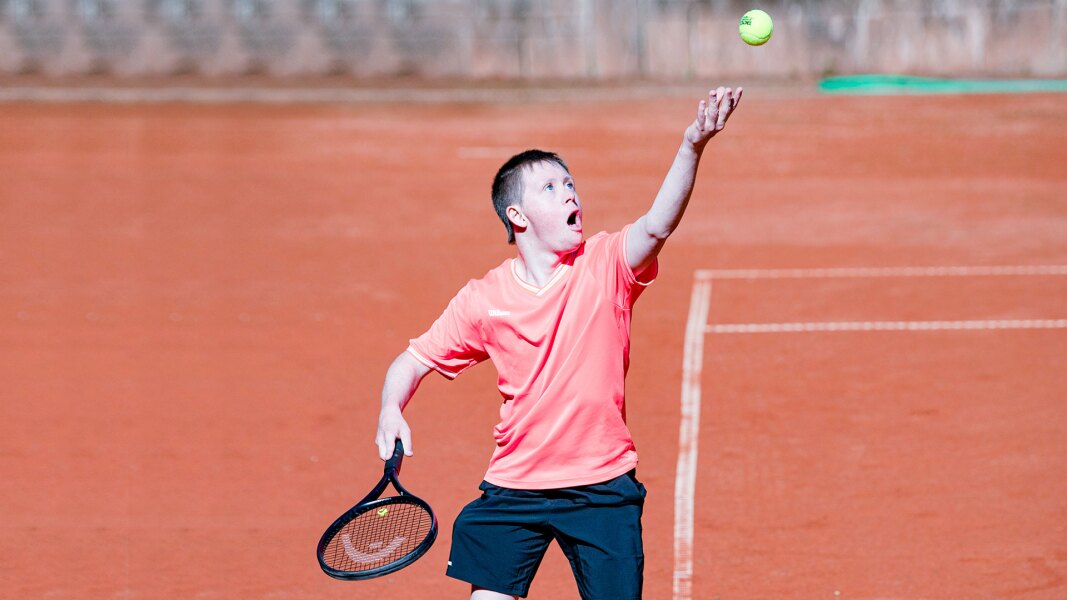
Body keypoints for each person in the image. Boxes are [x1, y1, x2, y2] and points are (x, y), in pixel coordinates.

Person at [374, 86, 742, 600]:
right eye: (549, 187)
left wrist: (692, 145)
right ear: (517, 217)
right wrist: (392, 406)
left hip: (600, 487)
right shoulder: (484, 298)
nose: (570, 193)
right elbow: (412, 360)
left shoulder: (605, 265)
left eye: (570, 183)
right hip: (515, 486)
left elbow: (657, 226)